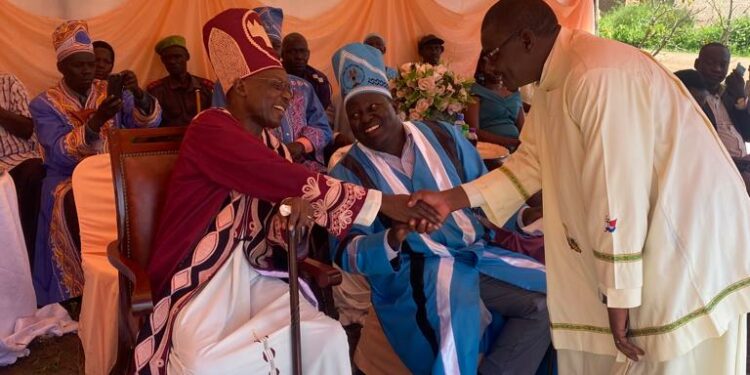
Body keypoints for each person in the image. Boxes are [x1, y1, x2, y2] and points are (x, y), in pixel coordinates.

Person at [410, 1, 750, 373]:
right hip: (651, 228)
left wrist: (619, 292)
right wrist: (450, 199)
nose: (488, 66)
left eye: (491, 53)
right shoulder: (558, 76)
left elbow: (618, 190)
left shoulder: (595, 75)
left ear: (525, 40)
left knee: (663, 356)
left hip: (684, 235)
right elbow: (531, 162)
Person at [132, 9, 440, 374]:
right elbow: (282, 177)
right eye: (277, 86)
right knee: (205, 363)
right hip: (200, 280)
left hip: (255, 275)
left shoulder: (270, 142)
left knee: (327, 335)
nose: (288, 97)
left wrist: (292, 218)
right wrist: (383, 203)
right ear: (242, 86)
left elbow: (282, 208)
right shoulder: (209, 128)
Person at [329, 43, 549, 375]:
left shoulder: (442, 134)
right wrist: (395, 235)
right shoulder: (347, 173)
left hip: (475, 252)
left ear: (393, 103)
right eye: (355, 114)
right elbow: (346, 251)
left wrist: (521, 215)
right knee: (452, 329)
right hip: (414, 271)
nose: (365, 119)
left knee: (548, 299)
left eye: (373, 106)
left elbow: (481, 190)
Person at [30, 20, 161, 306]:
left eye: (90, 64)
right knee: (68, 200)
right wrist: (98, 120)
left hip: (112, 170)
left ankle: (133, 274)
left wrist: (138, 94)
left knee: (143, 193)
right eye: (79, 66)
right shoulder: (43, 104)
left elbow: (148, 123)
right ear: (62, 67)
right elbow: (57, 152)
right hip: (67, 175)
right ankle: (79, 286)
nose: (88, 71)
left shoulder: (106, 90)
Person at [211, 7, 333, 172]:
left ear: (281, 51)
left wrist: (300, 146)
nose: (267, 53)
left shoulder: (302, 87)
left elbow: (323, 128)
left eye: (273, 46)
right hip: (252, 169)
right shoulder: (229, 85)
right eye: (262, 45)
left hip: (304, 167)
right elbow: (221, 132)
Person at [0, 73, 44, 265]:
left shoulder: (8, 83)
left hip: (21, 162)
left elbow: (27, 129)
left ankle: (30, 257)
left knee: (35, 173)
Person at [695, 43, 750, 159]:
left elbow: (747, 134)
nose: (717, 69)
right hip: (717, 168)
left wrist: (740, 97)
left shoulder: (728, 97)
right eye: (710, 63)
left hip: (743, 165)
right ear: (697, 64)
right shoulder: (690, 95)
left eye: (723, 65)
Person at [147, 35, 214, 127]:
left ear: (187, 57)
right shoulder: (156, 91)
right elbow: (151, 124)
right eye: (167, 58)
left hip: (199, 139)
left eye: (177, 56)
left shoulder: (206, 88)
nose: (172, 61)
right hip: (167, 140)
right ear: (163, 61)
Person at [466, 52, 524, 150]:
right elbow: (473, 130)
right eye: (492, 64)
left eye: (500, 63)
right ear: (482, 66)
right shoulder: (475, 91)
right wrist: (507, 142)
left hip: (517, 147)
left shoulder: (514, 90)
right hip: (490, 148)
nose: (497, 68)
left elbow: (523, 128)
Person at [281, 32, 333, 110]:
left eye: (303, 51)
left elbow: (323, 114)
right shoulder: (274, 77)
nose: (299, 57)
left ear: (308, 54)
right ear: (282, 54)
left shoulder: (319, 81)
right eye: (293, 52)